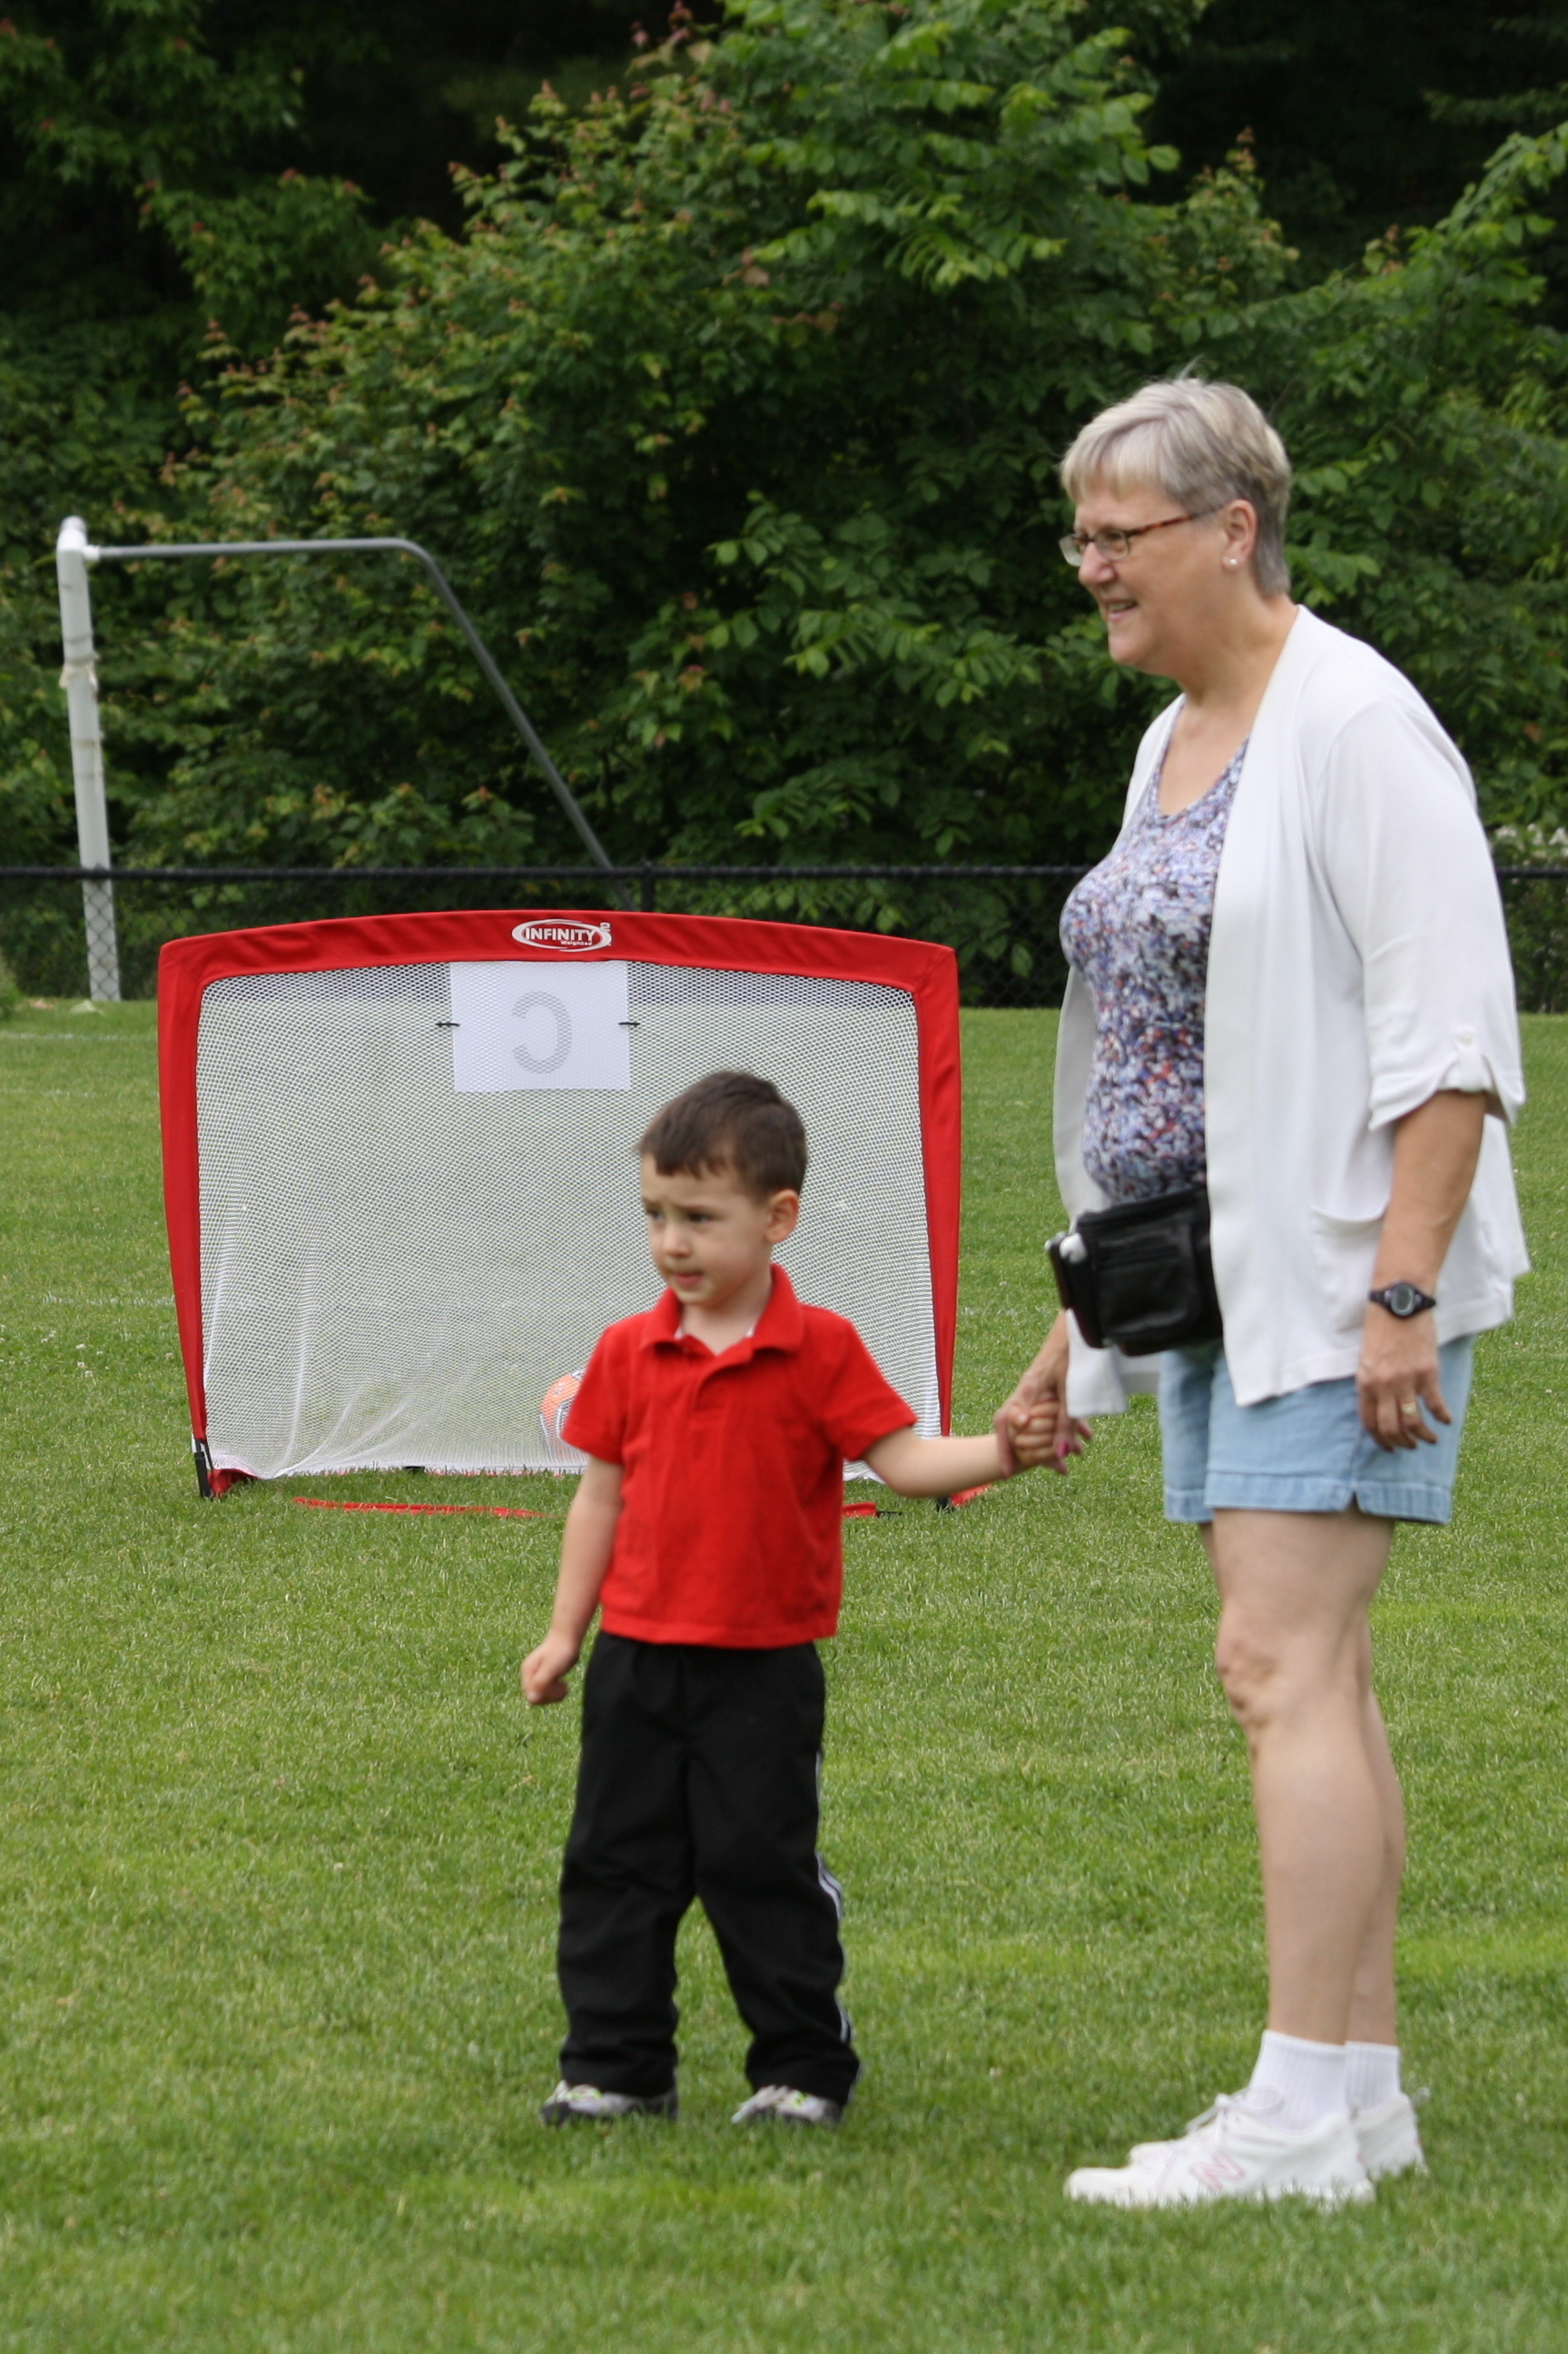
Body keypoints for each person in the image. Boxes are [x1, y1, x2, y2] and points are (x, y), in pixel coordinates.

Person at [1003, 378, 1527, 2207]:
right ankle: (1356, 2097)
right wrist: (1074, 1327)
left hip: (1332, 1280)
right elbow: (1161, 1063)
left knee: (1274, 1666)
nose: (1090, 566)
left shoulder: (1356, 723)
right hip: (1203, 1283)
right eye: (1077, 536)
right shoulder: (1173, 739)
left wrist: (1399, 1296)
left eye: (1118, 533)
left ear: (1230, 529)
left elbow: (1449, 1041)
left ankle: (1295, 2110)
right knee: (1318, 1674)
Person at [523, 1070, 1044, 2128]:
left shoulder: (822, 1350)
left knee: (757, 1867)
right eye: (655, 1216)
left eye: (698, 1218)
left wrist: (1003, 1451)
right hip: (634, 1663)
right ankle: (616, 2069)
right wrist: (566, 1631)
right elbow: (598, 1498)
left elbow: (902, 1463)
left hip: (761, 1671)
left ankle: (801, 2071)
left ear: (777, 1218)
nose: (672, 1243)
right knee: (614, 1867)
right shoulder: (625, 1351)